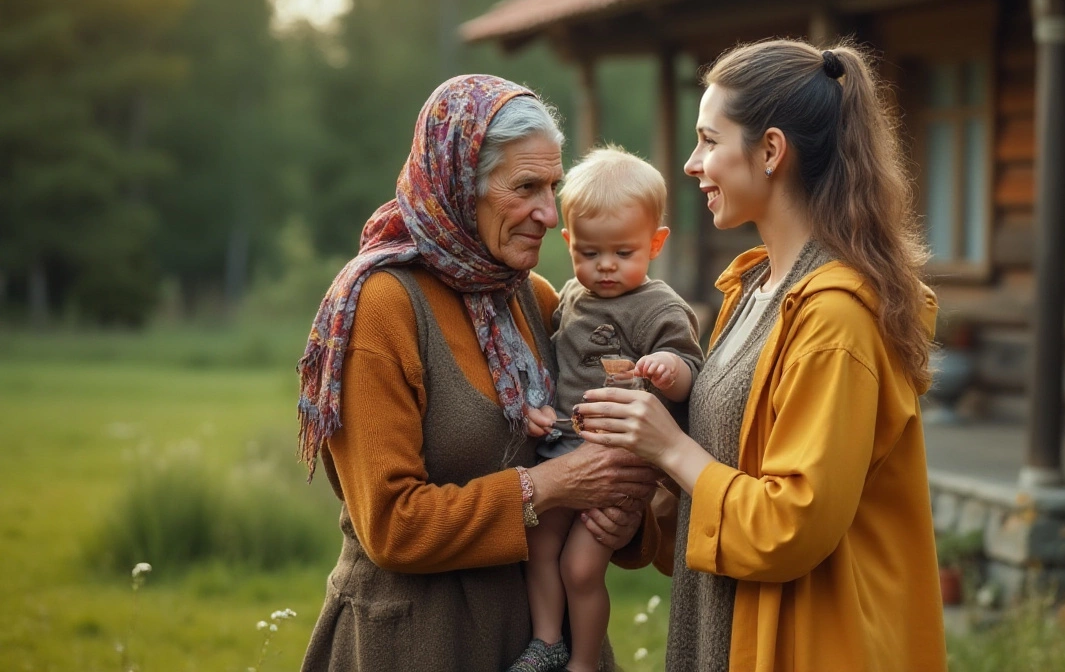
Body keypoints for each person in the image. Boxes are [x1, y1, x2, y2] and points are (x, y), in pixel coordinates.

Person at [574, 39, 948, 672]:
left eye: (709, 141)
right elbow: (728, 468)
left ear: (771, 151)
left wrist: (669, 446)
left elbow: (790, 526)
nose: (692, 165)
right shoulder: (751, 292)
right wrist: (646, 508)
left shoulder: (834, 318)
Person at [295, 75, 659, 672]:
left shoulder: (535, 299)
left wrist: (621, 512)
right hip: (417, 640)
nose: (549, 212)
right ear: (460, 184)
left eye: (553, 186)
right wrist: (554, 486)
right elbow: (391, 526)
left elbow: (589, 453)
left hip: (545, 642)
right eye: (525, 188)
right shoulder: (382, 306)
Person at [510, 147, 704, 672]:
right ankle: (547, 641)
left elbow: (692, 371)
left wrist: (668, 367)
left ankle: (584, 661)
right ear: (569, 242)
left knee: (579, 568)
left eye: (623, 252)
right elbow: (556, 368)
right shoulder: (570, 297)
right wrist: (540, 410)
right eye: (590, 253)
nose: (607, 267)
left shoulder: (657, 306)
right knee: (535, 544)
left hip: (616, 461)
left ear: (655, 243)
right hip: (560, 450)